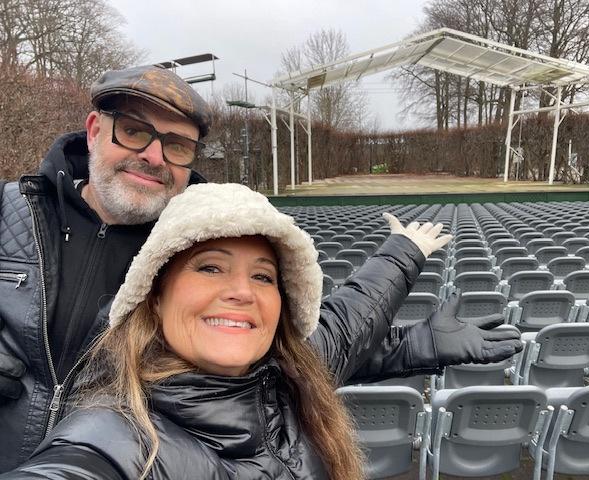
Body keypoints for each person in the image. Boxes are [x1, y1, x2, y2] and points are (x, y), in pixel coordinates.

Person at [0, 64, 521, 472]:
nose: (154, 156)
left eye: (177, 144)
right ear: (94, 130)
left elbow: (274, 350)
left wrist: (407, 348)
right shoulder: (9, 216)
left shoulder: (210, 233)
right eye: (134, 131)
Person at [0, 183, 523, 480]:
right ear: (154, 296)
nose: (242, 291)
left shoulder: (287, 376)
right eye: (209, 267)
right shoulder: (113, 438)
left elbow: (346, 322)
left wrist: (414, 342)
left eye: (263, 276)